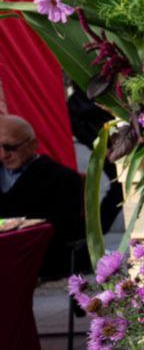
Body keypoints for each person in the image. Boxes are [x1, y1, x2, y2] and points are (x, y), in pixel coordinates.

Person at [0, 114, 85, 279]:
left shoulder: (62, 178)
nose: (4, 154)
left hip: (37, 258)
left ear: (33, 144)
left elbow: (66, 229)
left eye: (11, 147)